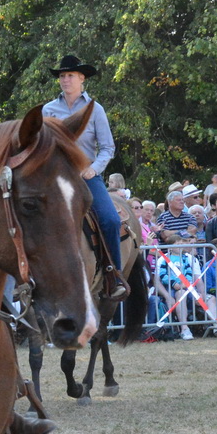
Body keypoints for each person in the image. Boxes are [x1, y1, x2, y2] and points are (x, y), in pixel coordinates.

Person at [41, 53, 128, 300]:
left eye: (70, 75)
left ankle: (113, 275)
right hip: (55, 176)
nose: (65, 80)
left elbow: (108, 148)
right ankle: (30, 275)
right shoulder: (48, 110)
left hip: (86, 175)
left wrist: (94, 169)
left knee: (110, 219)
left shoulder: (95, 109)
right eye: (62, 76)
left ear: (82, 79)